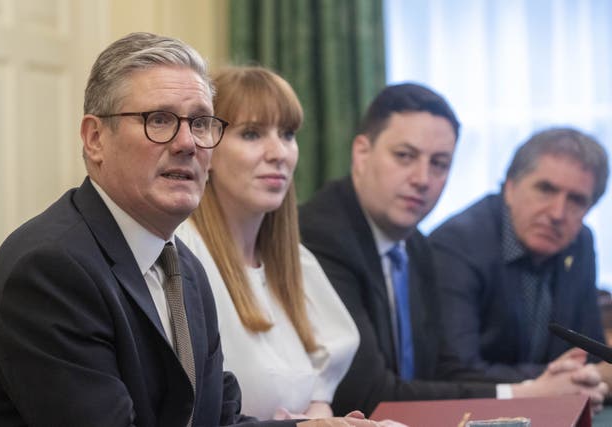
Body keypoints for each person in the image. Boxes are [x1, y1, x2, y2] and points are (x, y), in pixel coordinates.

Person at [0, 32, 386, 427]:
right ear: (95, 138)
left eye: (202, 123)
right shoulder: (52, 269)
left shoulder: (182, 266)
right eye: (159, 119)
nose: (187, 143)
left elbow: (218, 421)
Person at [298, 82, 608, 416]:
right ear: (362, 153)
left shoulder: (412, 245)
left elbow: (430, 370)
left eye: (440, 164)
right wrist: (530, 390)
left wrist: (578, 378)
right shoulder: (325, 235)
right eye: (404, 156)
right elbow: (371, 393)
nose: (422, 178)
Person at [175, 66, 381, 422]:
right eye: (252, 134)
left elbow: (320, 387)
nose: (279, 153)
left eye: (287, 134)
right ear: (208, 147)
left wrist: (319, 412)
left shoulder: (298, 264)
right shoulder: (183, 257)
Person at [428, 127, 609, 382]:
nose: (557, 213)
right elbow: (456, 371)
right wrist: (562, 380)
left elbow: (592, 352)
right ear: (510, 188)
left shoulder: (579, 242)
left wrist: (591, 373)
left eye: (576, 200)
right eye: (546, 189)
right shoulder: (457, 244)